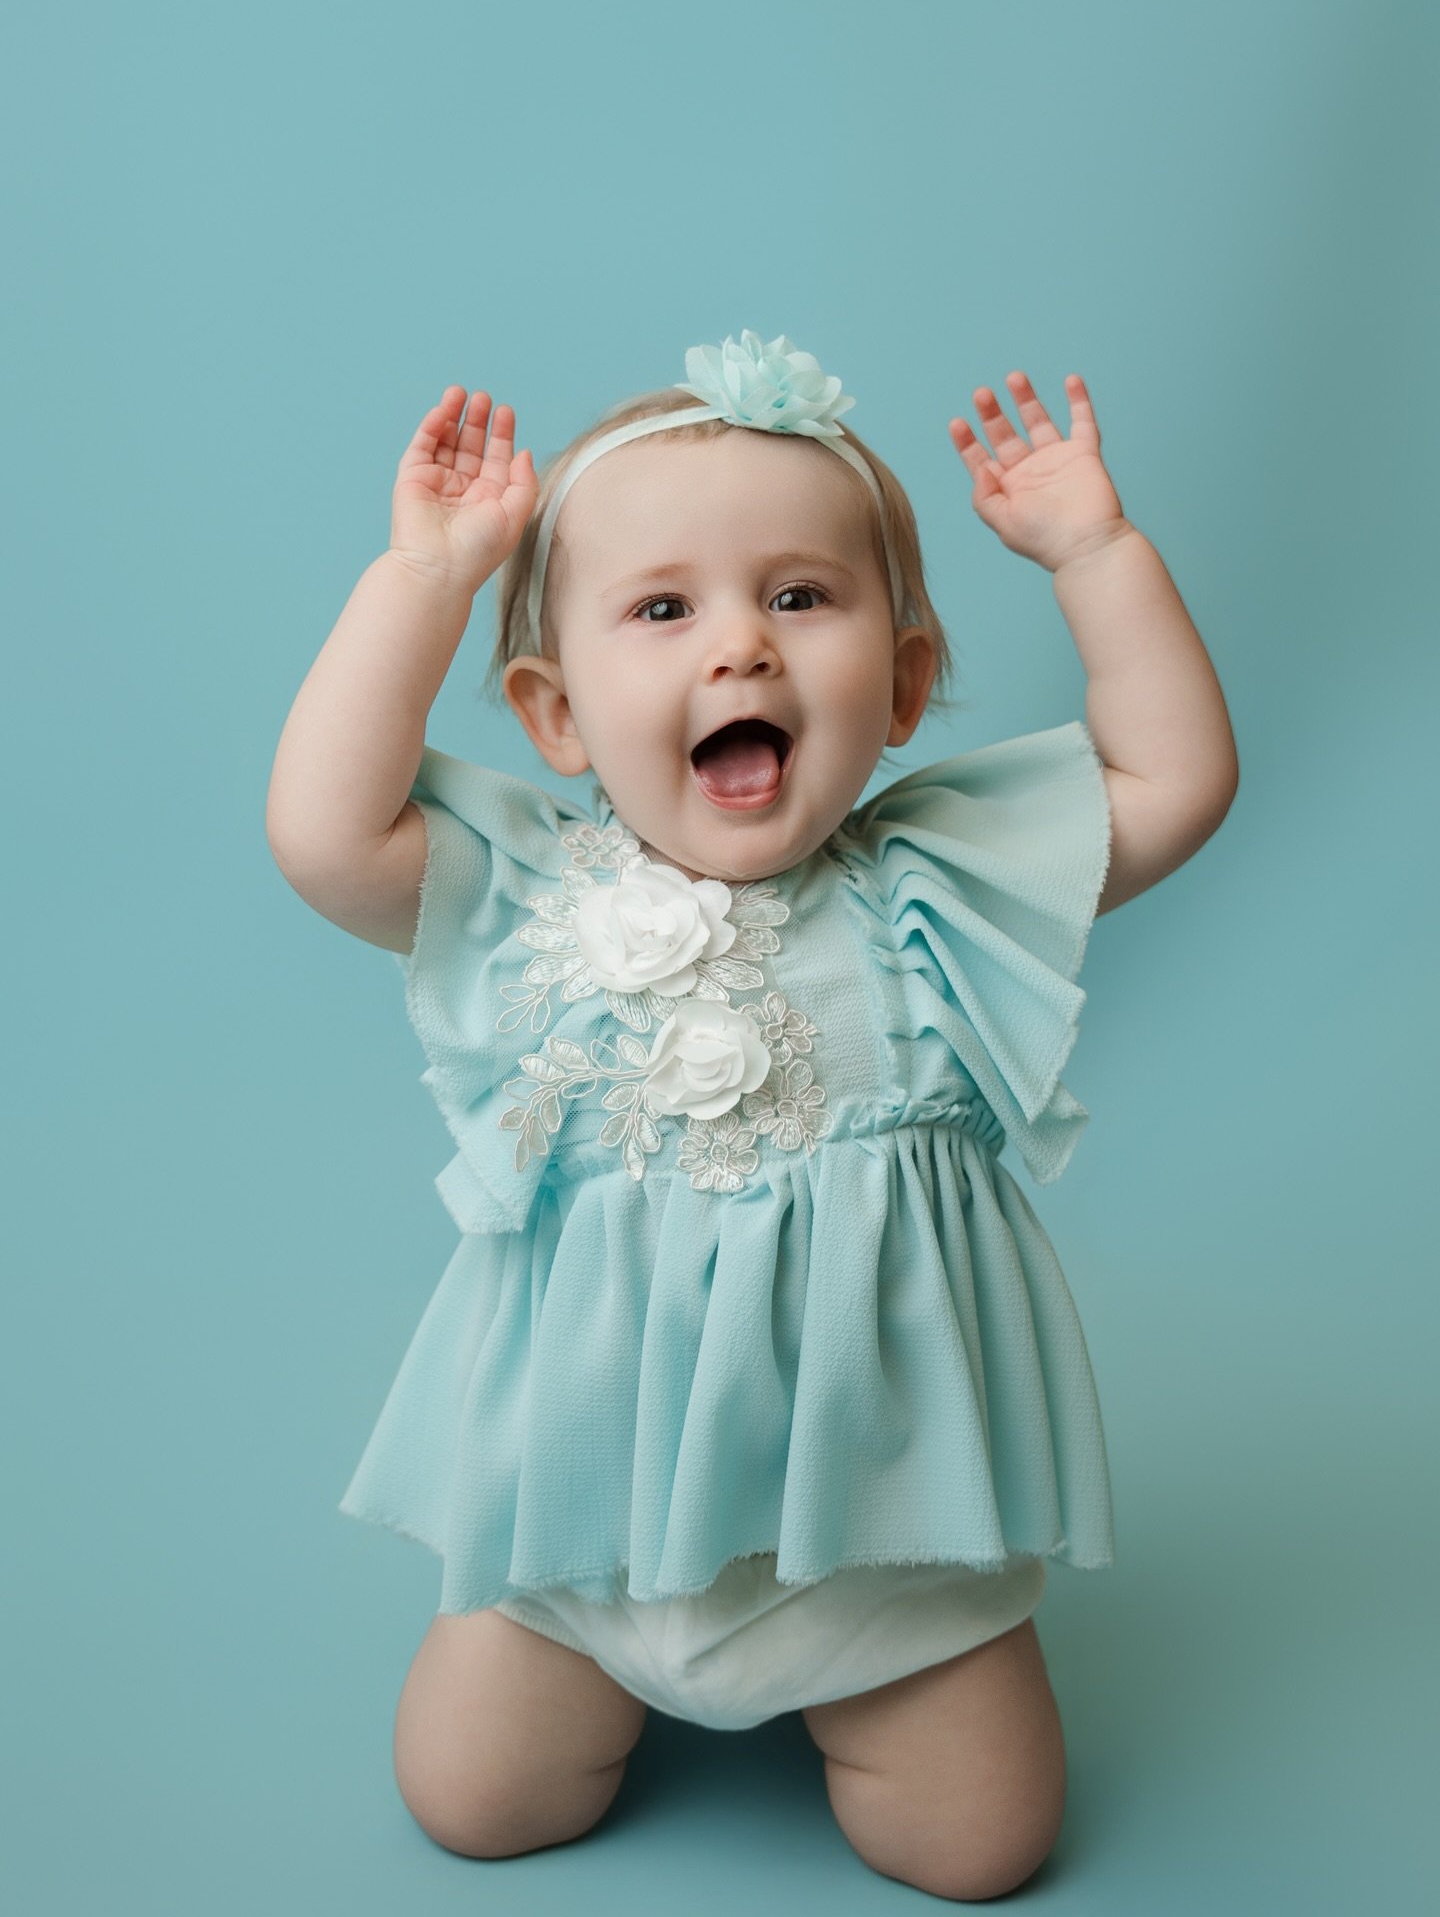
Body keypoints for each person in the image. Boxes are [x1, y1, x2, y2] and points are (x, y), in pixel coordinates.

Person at [266, 331, 1238, 1899]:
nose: (742, 649)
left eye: (801, 596)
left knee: (979, 1851)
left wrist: (1095, 551)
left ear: (908, 679)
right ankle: (577, 1663)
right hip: (576, 1516)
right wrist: (424, 577)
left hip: (883, 1522)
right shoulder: (534, 894)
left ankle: (876, 1680)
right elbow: (322, 832)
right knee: (474, 1803)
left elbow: (1175, 779)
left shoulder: (939, 887)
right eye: (662, 609)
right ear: (559, 713)